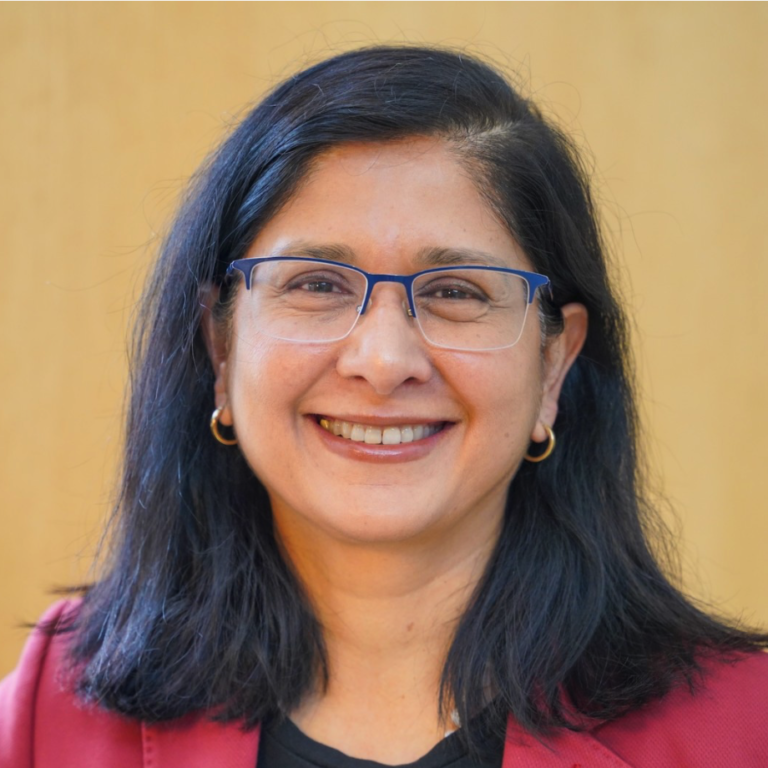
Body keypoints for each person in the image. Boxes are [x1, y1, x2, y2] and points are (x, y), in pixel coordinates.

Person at [1, 45, 767, 768]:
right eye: (315, 284)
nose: (382, 361)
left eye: (456, 293)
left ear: (554, 364)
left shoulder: (745, 727)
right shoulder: (55, 710)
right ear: (221, 347)